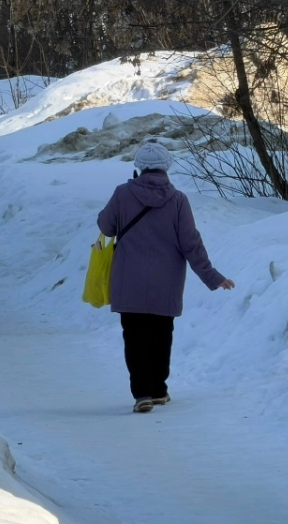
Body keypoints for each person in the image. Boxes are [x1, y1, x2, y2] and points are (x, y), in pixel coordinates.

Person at [98, 138, 234, 413]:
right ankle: (159, 389)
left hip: (129, 281)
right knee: (162, 335)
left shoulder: (122, 193)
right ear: (166, 168)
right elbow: (191, 244)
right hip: (166, 283)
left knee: (134, 338)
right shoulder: (178, 201)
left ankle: (142, 394)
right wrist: (212, 276)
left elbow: (106, 227)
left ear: (140, 167)